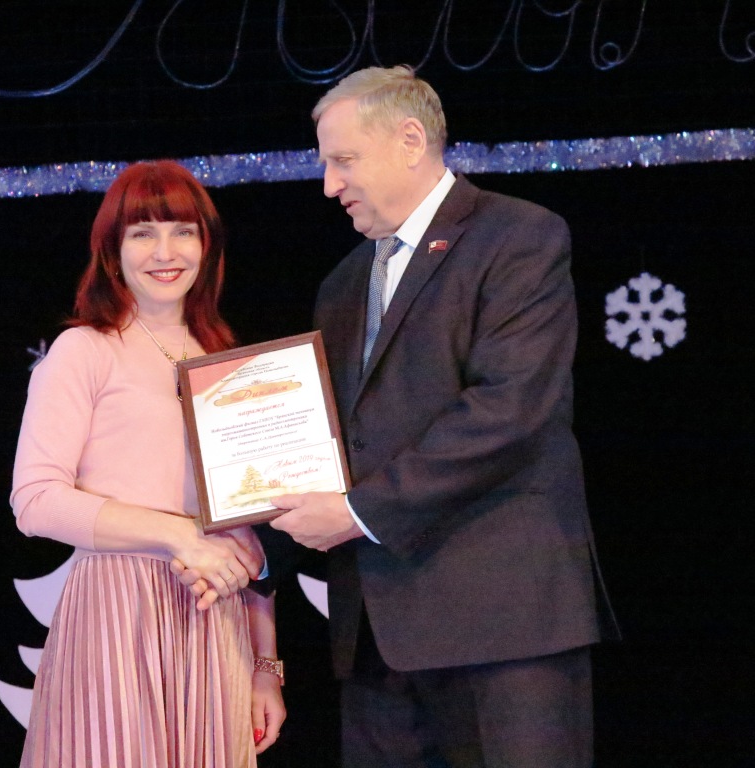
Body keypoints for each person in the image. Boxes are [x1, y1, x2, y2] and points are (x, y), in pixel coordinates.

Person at [266, 66, 618, 767]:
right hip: (376, 641)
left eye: (344, 160)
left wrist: (358, 511)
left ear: (409, 141)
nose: (330, 185)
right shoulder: (341, 285)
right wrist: (249, 540)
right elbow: (333, 439)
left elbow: (509, 409)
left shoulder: (519, 237)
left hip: (504, 628)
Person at [11, 160, 286, 767]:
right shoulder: (84, 349)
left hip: (214, 615)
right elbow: (35, 501)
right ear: (113, 251)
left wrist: (265, 666)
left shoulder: (230, 361)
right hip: (117, 610)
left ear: (206, 245)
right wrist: (180, 535)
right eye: (143, 233)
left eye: (183, 231)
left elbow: (252, 525)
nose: (165, 252)